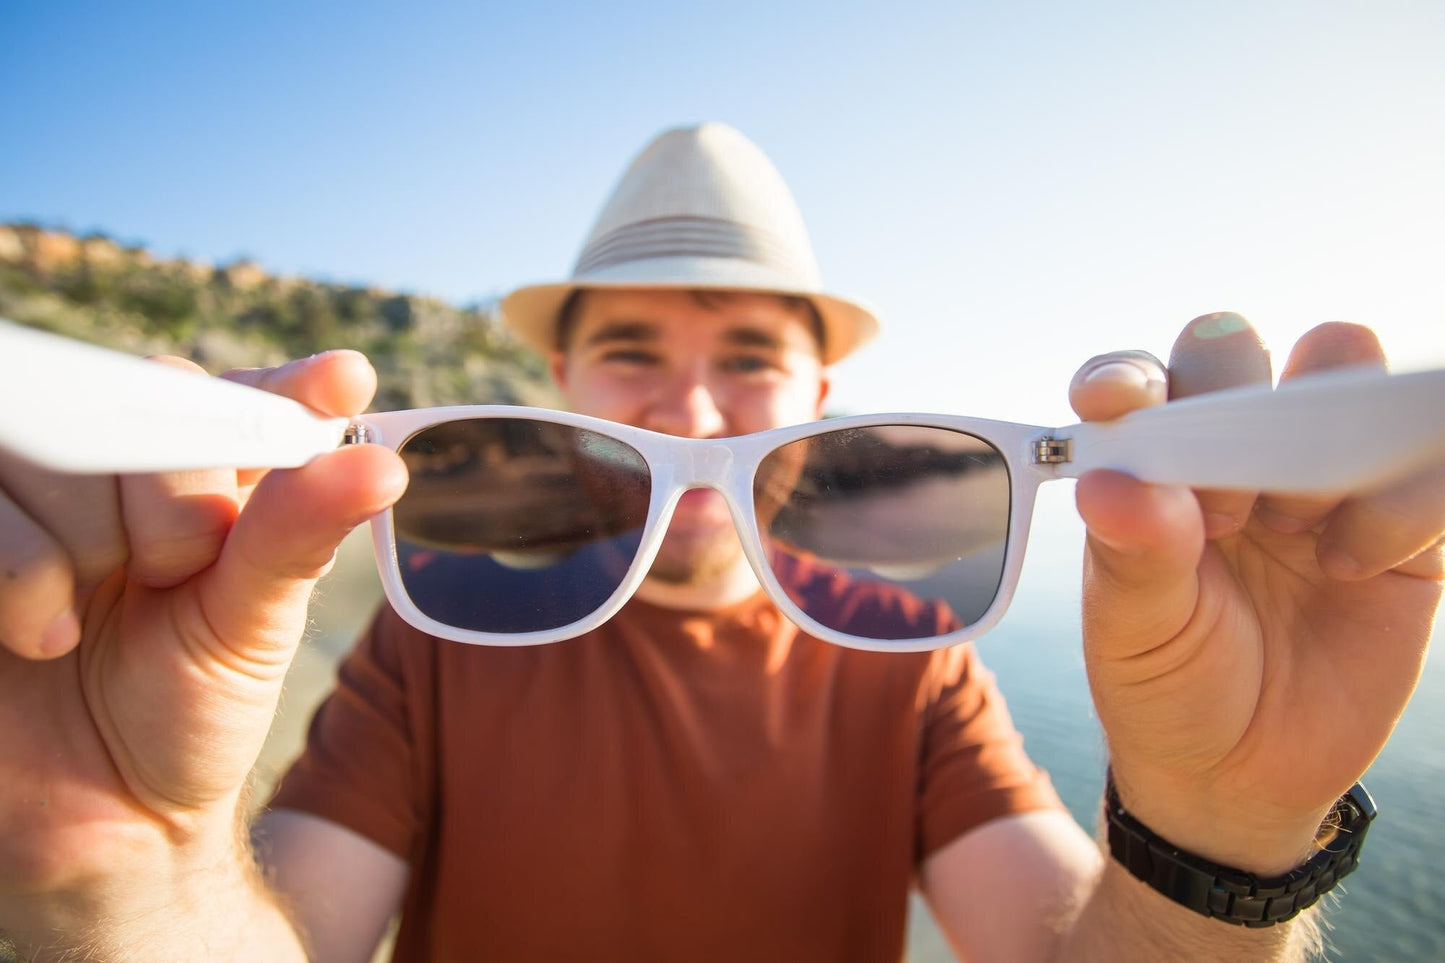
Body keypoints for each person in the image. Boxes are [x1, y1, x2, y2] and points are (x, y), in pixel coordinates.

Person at [0, 123, 1437, 962]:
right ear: (565, 390)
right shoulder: (436, 635)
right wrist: (121, 865)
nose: (690, 408)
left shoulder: (902, 658)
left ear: (818, 401)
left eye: (747, 359)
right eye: (630, 353)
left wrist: (1221, 837)